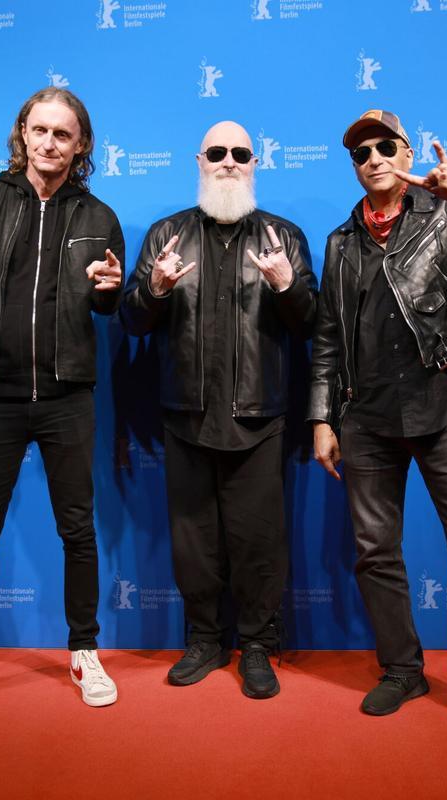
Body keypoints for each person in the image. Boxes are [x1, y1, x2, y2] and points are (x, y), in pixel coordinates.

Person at [309, 109, 447, 736]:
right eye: (362, 153)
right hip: (368, 416)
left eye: (386, 146)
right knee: (375, 552)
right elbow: (327, 335)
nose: (374, 158)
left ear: (406, 153)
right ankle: (402, 670)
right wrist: (323, 419)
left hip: (443, 406)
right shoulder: (340, 242)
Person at [0, 87, 124, 716]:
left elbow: (111, 302)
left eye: (63, 134)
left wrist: (112, 291)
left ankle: (83, 651)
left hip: (67, 397)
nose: (49, 143)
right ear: (22, 134)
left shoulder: (99, 217)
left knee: (77, 529)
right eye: (40, 130)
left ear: (80, 144)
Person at [120, 121, 317, 699]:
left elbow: (313, 325)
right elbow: (130, 320)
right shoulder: (167, 236)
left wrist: (287, 286)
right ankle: (205, 640)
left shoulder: (284, 237)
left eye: (240, 153)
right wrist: (154, 289)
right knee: (193, 541)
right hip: (186, 417)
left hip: (260, 418)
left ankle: (256, 645)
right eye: (217, 152)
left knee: (259, 543)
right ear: (198, 161)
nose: (228, 161)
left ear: (255, 163)